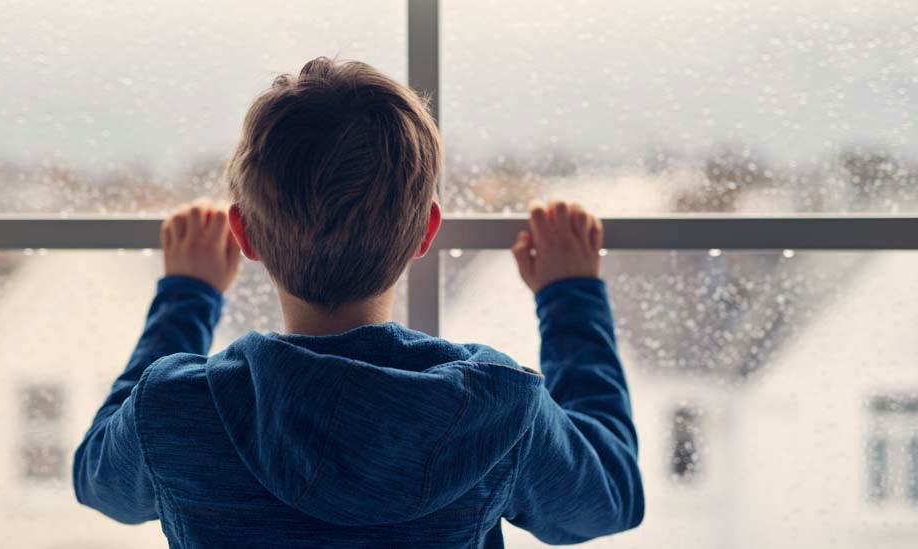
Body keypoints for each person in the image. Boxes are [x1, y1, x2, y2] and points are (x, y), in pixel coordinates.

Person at [73, 57, 644, 548]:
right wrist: (572, 297)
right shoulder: (498, 409)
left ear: (243, 235)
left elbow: (96, 476)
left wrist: (186, 297)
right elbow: (611, 495)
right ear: (427, 233)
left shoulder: (176, 410)